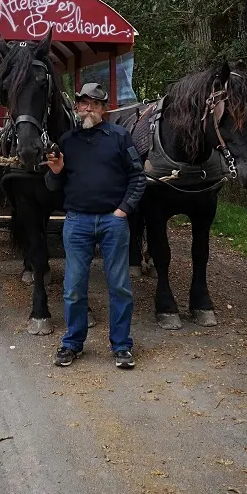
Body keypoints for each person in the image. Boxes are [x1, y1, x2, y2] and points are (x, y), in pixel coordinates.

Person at [45, 82, 146, 369]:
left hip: (113, 222)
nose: (88, 108)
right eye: (83, 103)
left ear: (104, 109)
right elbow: (52, 185)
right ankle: (72, 343)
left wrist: (123, 210)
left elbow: (137, 177)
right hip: (77, 221)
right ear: (77, 107)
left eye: (95, 103)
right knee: (73, 287)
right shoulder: (66, 141)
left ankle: (122, 346)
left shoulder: (120, 137)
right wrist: (56, 172)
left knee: (120, 286)